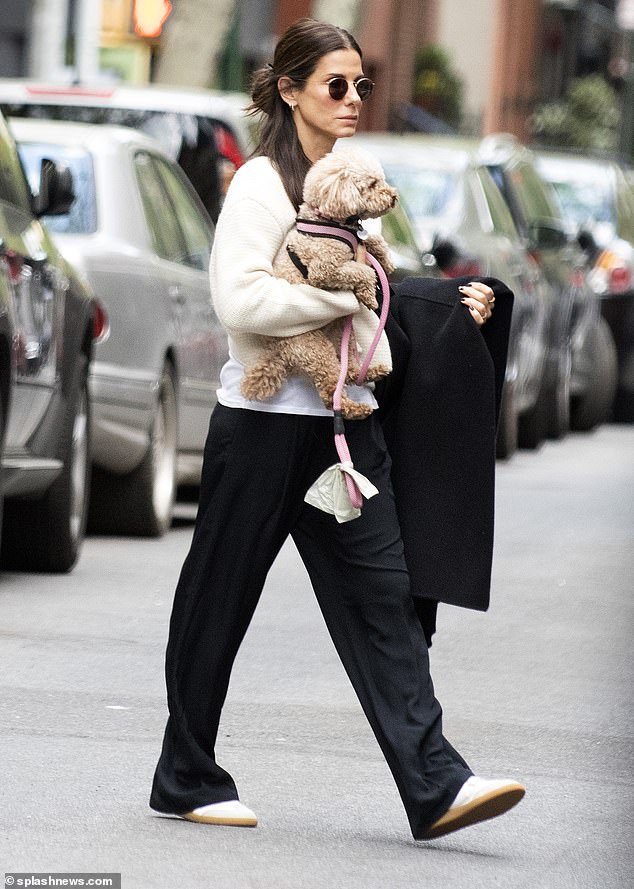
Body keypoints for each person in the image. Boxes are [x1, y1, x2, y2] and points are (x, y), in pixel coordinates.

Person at [149, 17, 525, 841]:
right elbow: (241, 300)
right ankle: (186, 772)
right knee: (219, 598)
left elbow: (378, 291)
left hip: (344, 431)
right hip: (260, 427)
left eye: (362, 85)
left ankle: (435, 783)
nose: (354, 100)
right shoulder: (259, 185)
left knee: (384, 596)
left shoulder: (360, 181)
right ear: (290, 90)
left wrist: (447, 299)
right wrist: (342, 296)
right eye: (336, 86)